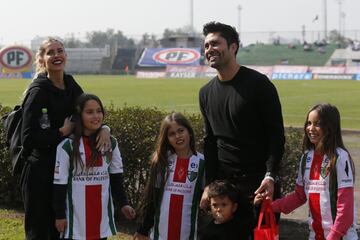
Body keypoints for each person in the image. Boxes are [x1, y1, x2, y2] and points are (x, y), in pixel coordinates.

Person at [20, 37, 111, 239]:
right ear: (42, 59)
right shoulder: (38, 91)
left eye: (60, 51)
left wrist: (104, 127)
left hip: (66, 173)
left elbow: (90, 112)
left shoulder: (71, 85)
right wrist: (62, 131)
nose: (56, 55)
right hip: (41, 173)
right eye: (50, 52)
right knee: (43, 233)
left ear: (66, 56)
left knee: (65, 231)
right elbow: (28, 139)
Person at [198, 21, 285, 214]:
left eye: (215, 43)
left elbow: (276, 136)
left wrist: (270, 175)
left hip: (259, 185)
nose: (210, 49)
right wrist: (209, 186)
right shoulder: (205, 93)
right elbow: (211, 142)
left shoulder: (259, 85)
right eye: (206, 46)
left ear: (233, 47)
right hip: (224, 188)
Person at [256, 103, 358, 240]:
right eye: (309, 123)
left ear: (330, 127)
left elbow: (345, 209)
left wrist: (333, 236)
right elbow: (299, 196)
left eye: (317, 124)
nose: (310, 128)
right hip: (315, 235)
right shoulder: (306, 158)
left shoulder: (340, 157)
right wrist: (269, 205)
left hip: (340, 237)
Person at [53, 93, 135, 239]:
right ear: (79, 115)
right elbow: (59, 184)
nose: (96, 116)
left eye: (99, 111)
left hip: (100, 220)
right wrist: (59, 215)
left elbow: (116, 178)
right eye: (89, 112)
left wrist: (123, 204)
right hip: (74, 222)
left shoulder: (111, 143)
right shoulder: (67, 147)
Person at [133, 112, 205, 240]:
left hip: (189, 234)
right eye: (172, 134)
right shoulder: (162, 161)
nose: (177, 136)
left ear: (189, 131)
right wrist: (142, 229)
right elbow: (152, 199)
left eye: (181, 130)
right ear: (166, 138)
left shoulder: (202, 162)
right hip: (160, 234)